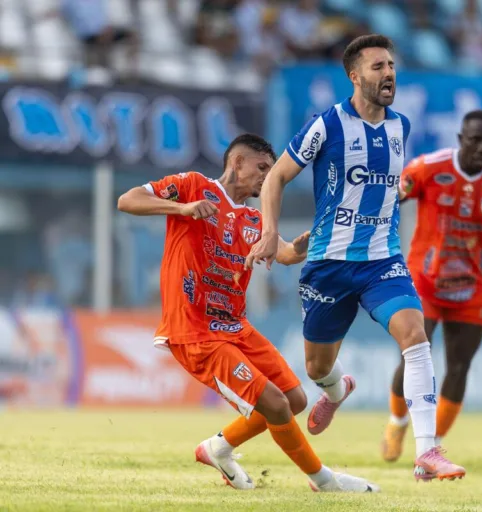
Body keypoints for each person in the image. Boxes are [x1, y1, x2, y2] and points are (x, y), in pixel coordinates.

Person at [245, 34, 465, 482]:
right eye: (378, 66)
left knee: (415, 336)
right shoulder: (326, 125)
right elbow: (276, 178)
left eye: (392, 66)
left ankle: (427, 451)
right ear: (354, 76)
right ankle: (337, 388)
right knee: (317, 367)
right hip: (328, 263)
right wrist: (271, 234)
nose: (389, 74)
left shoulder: (401, 126)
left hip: (383, 260)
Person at [116, 133, 378, 493]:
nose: (268, 177)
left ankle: (217, 448)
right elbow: (127, 200)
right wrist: (183, 209)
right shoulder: (192, 186)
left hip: (235, 327)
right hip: (196, 332)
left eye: (272, 171)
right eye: (262, 168)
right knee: (275, 404)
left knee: (295, 400)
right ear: (237, 162)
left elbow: (284, 253)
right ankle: (323, 480)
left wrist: (301, 248)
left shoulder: (254, 219)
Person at [381, 110, 482, 462]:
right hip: (424, 282)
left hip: (472, 288)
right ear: (461, 139)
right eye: (475, 140)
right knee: (414, 355)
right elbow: (388, 201)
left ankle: (433, 446)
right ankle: (397, 422)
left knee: (459, 367)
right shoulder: (428, 168)